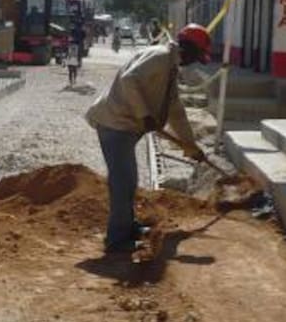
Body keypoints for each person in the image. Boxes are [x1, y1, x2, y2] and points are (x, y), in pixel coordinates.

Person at [85, 24, 211, 254]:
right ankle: (117, 240)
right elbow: (128, 80)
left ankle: (127, 227)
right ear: (189, 49)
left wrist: (190, 145)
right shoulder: (160, 57)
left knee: (128, 180)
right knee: (123, 181)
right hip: (115, 124)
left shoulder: (170, 67)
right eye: (197, 56)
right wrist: (144, 114)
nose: (194, 62)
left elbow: (175, 109)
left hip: (125, 126)